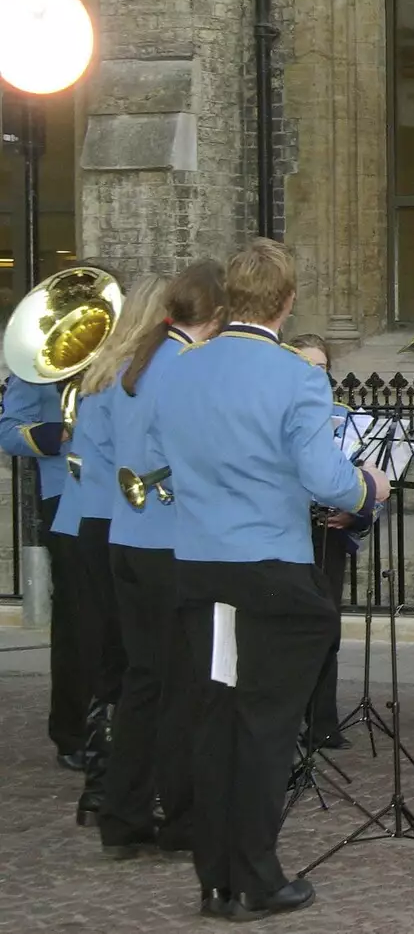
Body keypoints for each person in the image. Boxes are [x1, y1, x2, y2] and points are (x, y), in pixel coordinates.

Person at [150, 239, 389, 921]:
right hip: (267, 568)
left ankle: (215, 877)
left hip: (199, 564)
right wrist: (367, 486)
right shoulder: (293, 375)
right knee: (262, 727)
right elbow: (324, 479)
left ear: (230, 299)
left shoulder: (183, 368)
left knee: (217, 720)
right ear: (287, 302)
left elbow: (161, 455)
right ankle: (255, 876)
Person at [99, 259, 227, 859]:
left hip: (128, 537)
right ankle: (181, 818)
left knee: (143, 684)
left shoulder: (134, 363)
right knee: (183, 690)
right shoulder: (186, 369)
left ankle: (122, 815)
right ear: (219, 315)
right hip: (172, 544)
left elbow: (116, 445)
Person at [49, 273, 169, 828]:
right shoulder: (135, 378)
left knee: (113, 661)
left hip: (92, 521)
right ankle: (116, 785)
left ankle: (103, 784)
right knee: (132, 661)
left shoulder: (102, 374)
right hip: (121, 520)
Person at [0, 334, 90, 770]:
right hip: (66, 496)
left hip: (120, 498)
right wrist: (57, 435)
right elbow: (8, 429)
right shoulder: (38, 367)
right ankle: (73, 732)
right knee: (77, 618)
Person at [287, 332, 374, 751]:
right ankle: (288, 717)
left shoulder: (345, 417)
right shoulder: (278, 413)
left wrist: (356, 509)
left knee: (326, 628)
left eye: (320, 368)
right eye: (305, 366)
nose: (314, 375)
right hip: (288, 531)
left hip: (328, 534)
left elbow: (363, 476)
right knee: (287, 629)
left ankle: (322, 721)